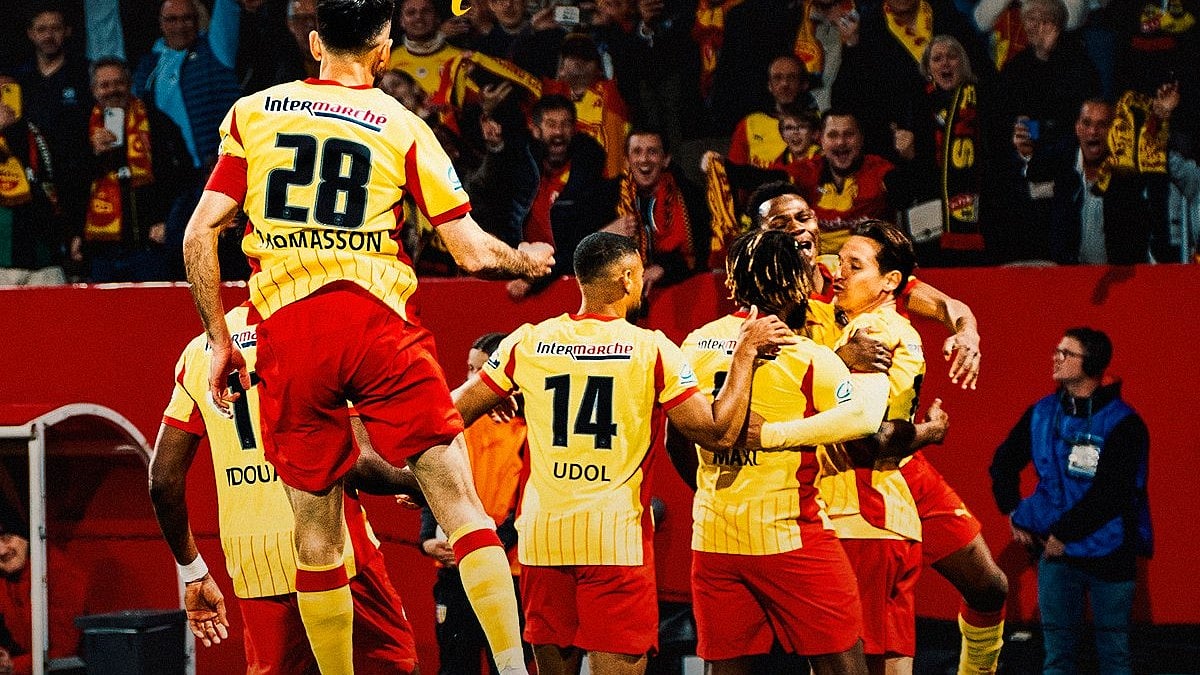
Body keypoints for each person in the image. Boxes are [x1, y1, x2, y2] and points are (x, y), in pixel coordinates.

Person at [182, 0, 554, 672]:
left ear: (315, 43)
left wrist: (219, 339)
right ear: (384, 54)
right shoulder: (401, 123)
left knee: (316, 535)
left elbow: (199, 232)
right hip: (378, 321)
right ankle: (512, 666)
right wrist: (527, 259)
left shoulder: (254, 113)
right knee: (461, 502)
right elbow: (470, 252)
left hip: (290, 330)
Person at [452, 231, 793, 675]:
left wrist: (423, 477)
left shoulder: (527, 341)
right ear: (630, 278)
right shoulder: (652, 349)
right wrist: (745, 353)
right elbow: (716, 432)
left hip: (542, 541)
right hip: (616, 543)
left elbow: (448, 413)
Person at [746, 186, 1010, 673]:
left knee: (989, 586)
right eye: (782, 225)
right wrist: (840, 363)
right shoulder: (764, 295)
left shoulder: (841, 272)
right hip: (832, 463)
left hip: (893, 458)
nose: (800, 229)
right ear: (761, 236)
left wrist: (966, 330)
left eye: (805, 216)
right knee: (848, 641)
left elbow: (941, 302)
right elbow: (772, 381)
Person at [151, 303, 422, 673]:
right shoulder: (320, 331)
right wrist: (426, 483)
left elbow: (163, 481)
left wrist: (193, 571)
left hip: (255, 564)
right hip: (338, 548)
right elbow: (359, 463)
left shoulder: (200, 351)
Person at [681, 228, 888, 675]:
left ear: (734, 281)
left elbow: (677, 441)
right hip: (790, 537)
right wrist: (771, 436)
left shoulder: (695, 343)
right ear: (796, 282)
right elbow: (866, 420)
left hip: (713, 539)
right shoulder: (809, 356)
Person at [990, 327, 1151, 675]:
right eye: (1056, 350)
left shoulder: (1125, 423)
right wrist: (1015, 512)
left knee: (1114, 655)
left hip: (1109, 553)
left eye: (1066, 353)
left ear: (1090, 363)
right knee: (1058, 657)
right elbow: (1003, 462)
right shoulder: (1042, 413)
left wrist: (1063, 534)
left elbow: (1113, 494)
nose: (1056, 358)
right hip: (1056, 555)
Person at [421, 331, 529, 675]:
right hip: (455, 572)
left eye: (481, 372)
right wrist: (427, 539)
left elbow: (527, 503)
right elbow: (433, 482)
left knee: (508, 666)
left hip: (510, 571)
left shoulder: (528, 428)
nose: (472, 381)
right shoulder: (455, 423)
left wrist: (484, 547)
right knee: (454, 666)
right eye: (469, 370)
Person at [78, 57, 184, 282]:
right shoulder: (79, 128)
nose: (112, 90)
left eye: (118, 83)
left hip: (148, 247)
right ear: (93, 90)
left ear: (129, 84)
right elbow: (69, 185)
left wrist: (169, 223)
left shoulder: (158, 123)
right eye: (104, 85)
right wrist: (91, 153)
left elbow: (182, 179)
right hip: (100, 251)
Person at [133, 0, 242, 172]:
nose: (180, 26)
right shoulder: (147, 67)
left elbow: (227, 5)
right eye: (172, 19)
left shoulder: (216, 49)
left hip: (217, 167)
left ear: (197, 20)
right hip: (171, 173)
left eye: (187, 19)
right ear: (161, 23)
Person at [606, 127, 711, 289]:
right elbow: (577, 253)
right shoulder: (606, 195)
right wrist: (606, 233)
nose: (644, 159)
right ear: (626, 160)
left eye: (652, 152)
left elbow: (702, 255)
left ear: (666, 159)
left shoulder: (691, 197)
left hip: (677, 293)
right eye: (637, 152)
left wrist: (665, 269)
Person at [0, 498, 88, 675]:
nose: (1, 550)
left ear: (26, 535)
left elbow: (63, 651)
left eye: (6, 537)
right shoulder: (4, 579)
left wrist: (13, 666)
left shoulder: (58, 573)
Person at [0, 75, 67, 287]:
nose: (4, 100)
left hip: (44, 261)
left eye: (9, 92)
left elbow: (61, 185)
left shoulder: (41, 135)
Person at [388, 0, 463, 99]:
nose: (419, 17)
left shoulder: (460, 57)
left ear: (437, 18)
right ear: (401, 21)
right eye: (411, 12)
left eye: (426, 11)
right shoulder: (388, 59)